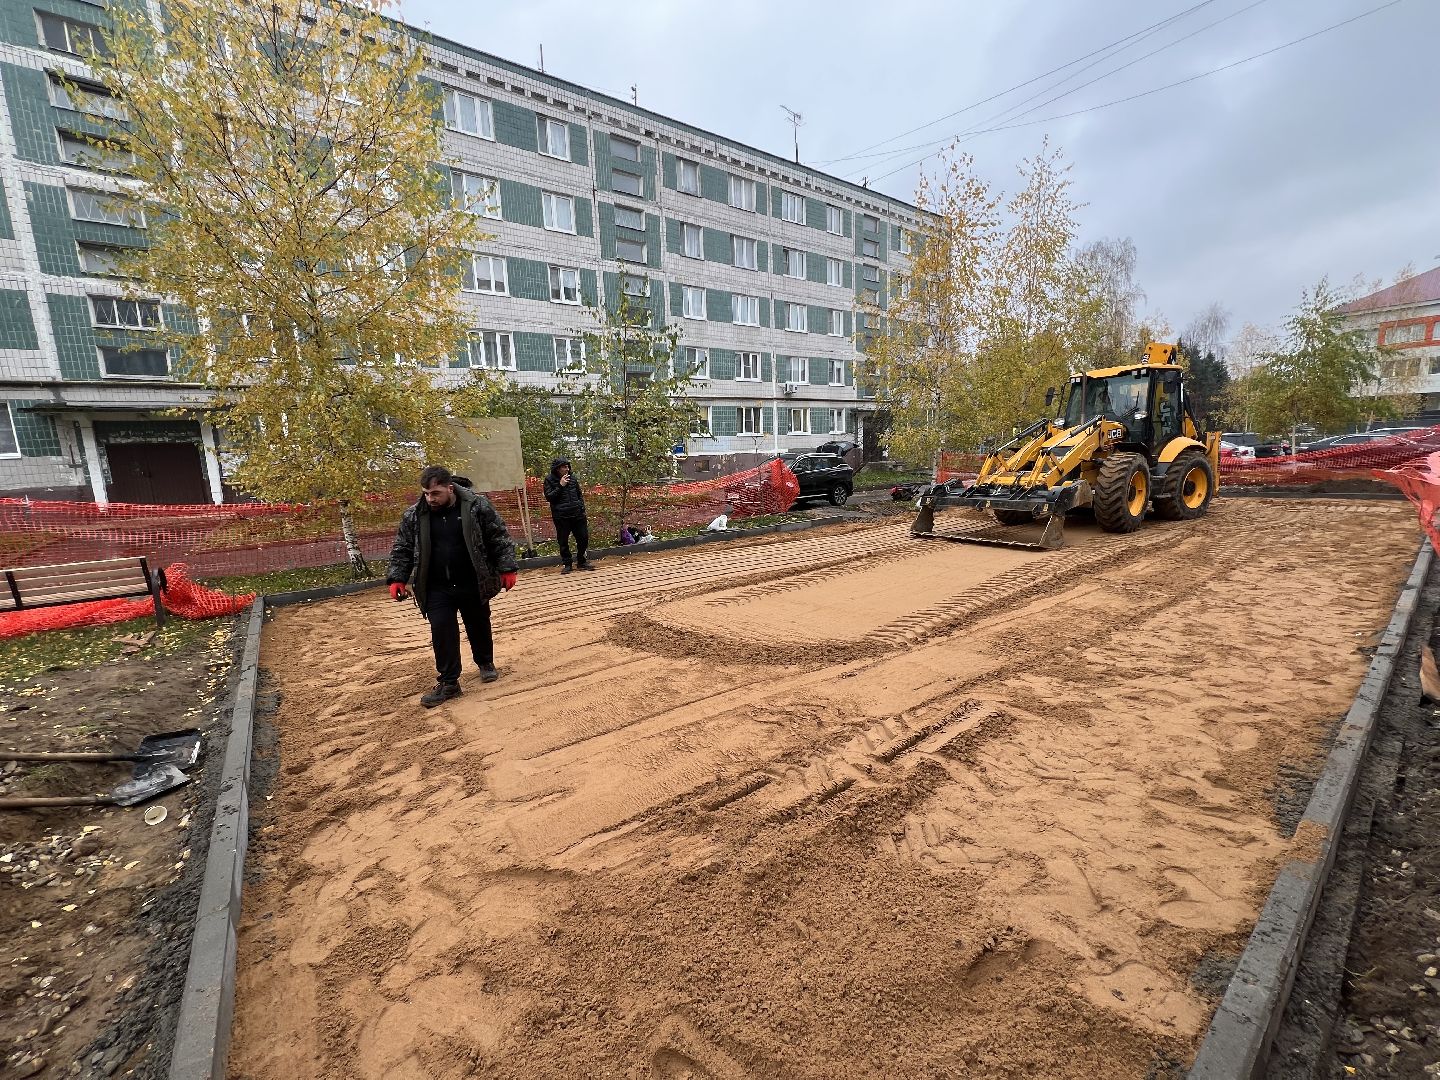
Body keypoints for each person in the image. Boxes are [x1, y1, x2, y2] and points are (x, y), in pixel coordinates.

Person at [387, 465, 518, 708]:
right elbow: (402, 548)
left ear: (449, 488)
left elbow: (498, 537)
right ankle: (449, 683)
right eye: (426, 493)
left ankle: (485, 662)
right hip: (436, 585)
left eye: (435, 493)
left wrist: (507, 568)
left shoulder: (477, 507)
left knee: (478, 623)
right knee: (442, 631)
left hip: (472, 579)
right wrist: (398, 578)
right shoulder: (415, 515)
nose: (430, 498)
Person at [543, 457, 595, 573]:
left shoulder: (573, 479)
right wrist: (560, 486)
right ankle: (567, 564)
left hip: (577, 515)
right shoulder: (549, 480)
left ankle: (581, 561)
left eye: (568, 467)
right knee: (563, 541)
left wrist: (581, 508)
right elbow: (549, 497)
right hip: (561, 517)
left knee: (583, 538)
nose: (567, 469)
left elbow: (579, 495)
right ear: (557, 469)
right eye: (564, 467)